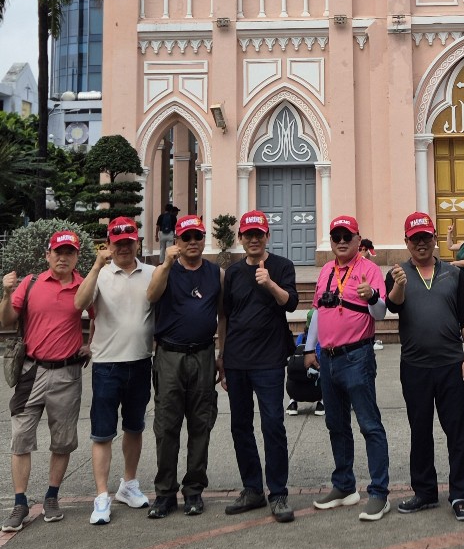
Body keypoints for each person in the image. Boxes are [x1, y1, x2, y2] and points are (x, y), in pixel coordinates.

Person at [386, 212, 464, 523]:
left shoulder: (453, 273)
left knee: (457, 431)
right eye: (415, 239)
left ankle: (461, 494)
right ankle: (424, 492)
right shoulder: (398, 273)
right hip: (415, 367)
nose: (421, 243)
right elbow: (393, 306)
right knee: (420, 430)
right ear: (406, 242)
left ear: (434, 239)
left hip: (451, 363)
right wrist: (398, 285)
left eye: (426, 237)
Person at [1, 230, 90, 531]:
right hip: (31, 371)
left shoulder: (83, 285)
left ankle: (52, 496)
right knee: (21, 439)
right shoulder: (31, 283)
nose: (63, 257)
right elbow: (6, 321)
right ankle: (19, 503)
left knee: (62, 440)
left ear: (77, 256)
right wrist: (5, 292)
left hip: (67, 372)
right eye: (58, 252)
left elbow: (100, 315)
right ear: (47, 255)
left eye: (69, 252)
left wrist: (93, 343)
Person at [306, 215, 390, 522]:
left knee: (369, 424)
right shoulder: (327, 270)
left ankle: (379, 493)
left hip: (357, 356)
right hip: (327, 358)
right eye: (336, 236)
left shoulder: (368, 270)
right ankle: (344, 486)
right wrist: (307, 348)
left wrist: (372, 297)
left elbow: (380, 314)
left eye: (347, 236)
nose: (341, 241)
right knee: (336, 424)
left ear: (358, 239)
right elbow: (319, 310)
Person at [217, 210, 298, 524]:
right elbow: (225, 317)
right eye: (248, 234)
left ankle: (278, 492)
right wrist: (221, 357)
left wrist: (270, 284)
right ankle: (252, 489)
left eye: (258, 234)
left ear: (267, 237)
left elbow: (290, 303)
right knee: (240, 427)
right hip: (236, 360)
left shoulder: (281, 266)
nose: (253, 239)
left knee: (273, 425)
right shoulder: (233, 274)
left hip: (269, 360)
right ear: (240, 238)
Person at [73, 216, 155, 525]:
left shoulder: (151, 273)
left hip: (140, 360)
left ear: (137, 242)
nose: (123, 247)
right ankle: (102, 496)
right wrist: (96, 266)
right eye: (117, 243)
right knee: (102, 432)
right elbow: (78, 303)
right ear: (109, 244)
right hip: (107, 364)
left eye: (128, 242)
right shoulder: (100, 274)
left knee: (134, 427)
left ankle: (128, 485)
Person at [145, 214, 223, 518]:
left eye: (197, 237)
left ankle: (194, 490)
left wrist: (222, 353)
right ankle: (165, 493)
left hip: (203, 354)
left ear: (204, 240)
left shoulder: (216, 274)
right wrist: (165, 264)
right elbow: (151, 296)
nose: (192, 243)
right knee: (166, 426)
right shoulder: (165, 271)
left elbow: (223, 316)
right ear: (177, 241)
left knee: (201, 423)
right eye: (186, 238)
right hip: (169, 356)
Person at [286, 307, 324, 416]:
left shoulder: (300, 338)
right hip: (317, 390)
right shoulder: (323, 340)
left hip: (294, 390)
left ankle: (292, 403)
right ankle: (321, 403)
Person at [359, 240, 384, 350]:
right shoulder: (369, 267)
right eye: (369, 252)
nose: (370, 256)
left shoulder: (371, 267)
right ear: (364, 250)